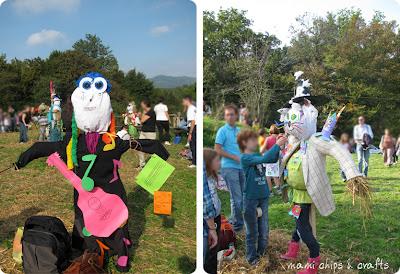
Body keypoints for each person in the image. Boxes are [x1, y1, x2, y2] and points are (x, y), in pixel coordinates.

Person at [238, 129, 287, 264]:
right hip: (251, 199)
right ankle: (252, 258)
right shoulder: (245, 157)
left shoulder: (256, 154)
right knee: (252, 232)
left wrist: (280, 145)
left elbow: (271, 158)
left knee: (264, 231)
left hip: (263, 196)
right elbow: (266, 158)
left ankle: (262, 254)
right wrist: (277, 145)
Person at [215, 105, 244, 233]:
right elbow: (217, 149)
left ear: (236, 116)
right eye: (227, 114)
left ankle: (234, 221)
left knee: (240, 197)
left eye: (232, 114)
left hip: (242, 167)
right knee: (237, 198)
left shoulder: (239, 131)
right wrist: (233, 157)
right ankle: (238, 226)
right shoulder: (222, 131)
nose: (230, 117)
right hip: (229, 167)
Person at [203, 148, 222, 274]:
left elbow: (225, 185)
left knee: (215, 247)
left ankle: (212, 266)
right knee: (211, 247)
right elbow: (206, 204)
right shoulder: (205, 180)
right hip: (209, 220)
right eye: (217, 161)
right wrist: (211, 228)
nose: (220, 163)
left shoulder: (213, 177)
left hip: (216, 217)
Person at [261, 124, 282, 195]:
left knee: (268, 175)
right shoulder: (279, 138)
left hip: (269, 159)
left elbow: (262, 150)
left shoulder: (268, 139)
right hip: (277, 159)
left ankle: (270, 191)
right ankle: (279, 189)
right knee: (275, 174)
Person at [138, 100, 157, 168]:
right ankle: (142, 164)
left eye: (142, 104)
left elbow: (142, 121)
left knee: (152, 149)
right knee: (139, 147)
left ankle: (155, 164)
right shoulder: (147, 112)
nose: (141, 106)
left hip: (150, 133)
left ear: (145, 105)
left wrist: (141, 114)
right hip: (143, 132)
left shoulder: (151, 112)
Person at [183, 96, 197, 168]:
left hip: (193, 127)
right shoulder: (193, 108)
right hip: (194, 127)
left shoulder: (191, 109)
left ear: (187, 101)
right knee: (194, 145)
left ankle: (194, 163)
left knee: (193, 146)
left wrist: (190, 133)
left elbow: (193, 121)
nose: (182, 103)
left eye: (183, 101)